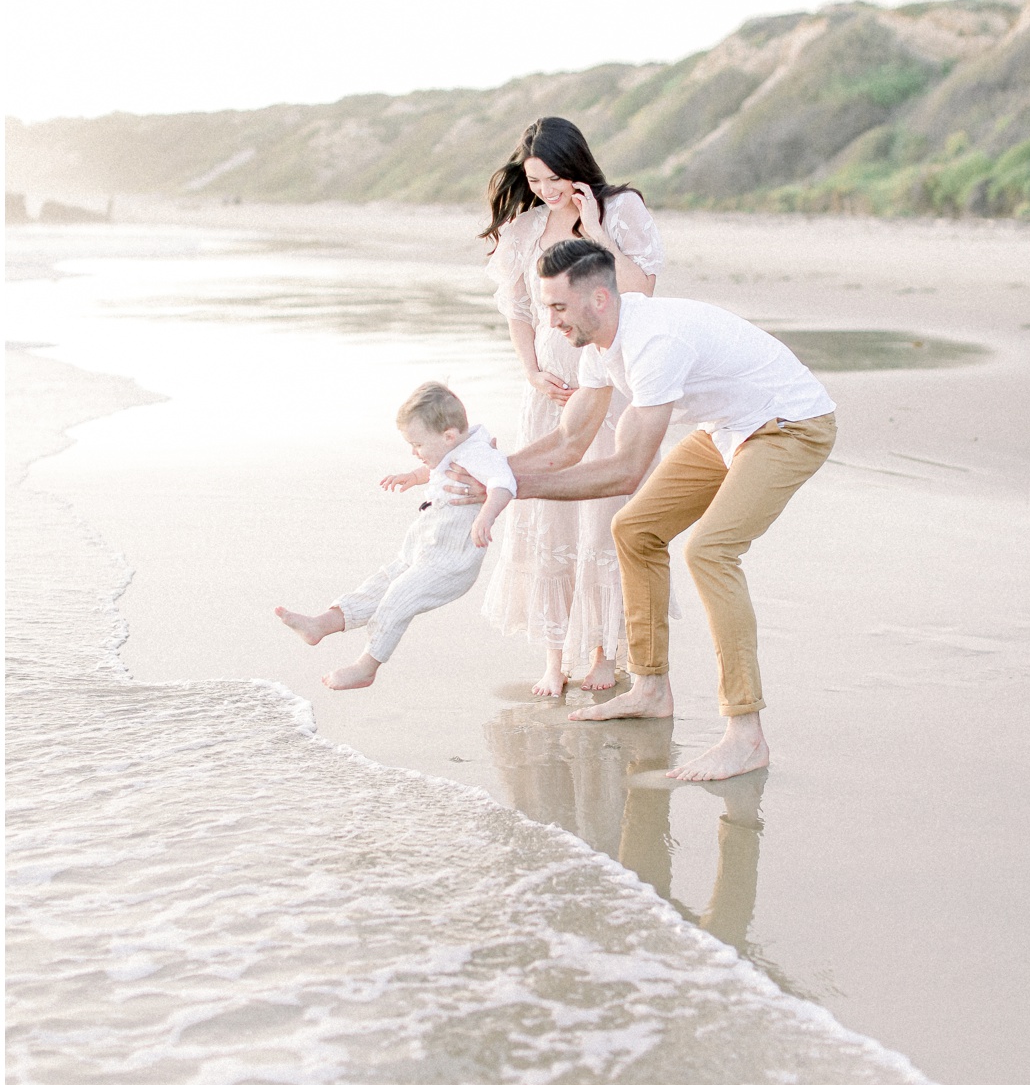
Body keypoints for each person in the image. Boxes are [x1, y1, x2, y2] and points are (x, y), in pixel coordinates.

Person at [450, 238, 837, 782]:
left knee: (711, 552)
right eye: (546, 308)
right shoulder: (600, 345)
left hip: (790, 425)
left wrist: (516, 490)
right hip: (730, 428)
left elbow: (627, 470)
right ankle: (651, 688)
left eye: (559, 307)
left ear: (600, 300)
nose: (551, 321)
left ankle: (745, 736)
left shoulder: (653, 343)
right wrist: (493, 473)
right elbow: (569, 440)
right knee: (635, 529)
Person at [480, 115, 664, 696]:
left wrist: (595, 230)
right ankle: (556, 656)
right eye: (535, 182)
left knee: (603, 518)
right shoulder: (525, 229)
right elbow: (518, 309)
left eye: (554, 178)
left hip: (609, 383)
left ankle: (605, 652)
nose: (546, 190)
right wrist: (531, 369)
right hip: (552, 388)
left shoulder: (622, 208)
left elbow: (638, 291)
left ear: (577, 164)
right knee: (547, 522)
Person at [275, 382, 514, 691]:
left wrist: (487, 514)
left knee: (398, 597)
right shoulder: (454, 447)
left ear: (449, 436)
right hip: (423, 547)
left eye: (418, 445)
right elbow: (440, 467)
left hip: (450, 561)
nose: (414, 452)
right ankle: (322, 624)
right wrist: (413, 477)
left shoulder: (480, 453)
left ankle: (367, 665)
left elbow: (503, 481)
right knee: (381, 585)